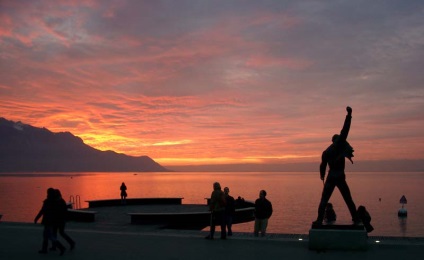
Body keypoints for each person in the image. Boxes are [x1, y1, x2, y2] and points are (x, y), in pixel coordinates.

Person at [313, 106, 358, 226]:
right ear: (336, 140)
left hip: (331, 176)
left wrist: (322, 175)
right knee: (348, 199)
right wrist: (349, 115)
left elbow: (322, 165)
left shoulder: (326, 152)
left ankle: (318, 220)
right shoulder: (339, 145)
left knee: (324, 200)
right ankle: (355, 218)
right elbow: (345, 129)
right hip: (340, 176)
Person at [34, 188, 66, 255]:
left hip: (47, 220)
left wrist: (36, 218)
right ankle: (45, 249)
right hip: (52, 221)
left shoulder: (47, 201)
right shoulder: (55, 201)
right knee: (48, 235)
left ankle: (60, 247)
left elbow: (42, 211)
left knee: (48, 236)